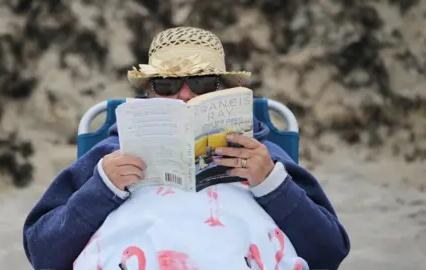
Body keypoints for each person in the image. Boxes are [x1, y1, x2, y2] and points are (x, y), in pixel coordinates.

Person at [23, 27, 350, 270]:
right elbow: (43, 253)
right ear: (147, 92)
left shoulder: (264, 155)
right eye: (166, 84)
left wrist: (272, 184)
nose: (184, 96)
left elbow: (328, 252)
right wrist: (101, 188)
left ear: (224, 88)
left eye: (201, 82)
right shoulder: (108, 153)